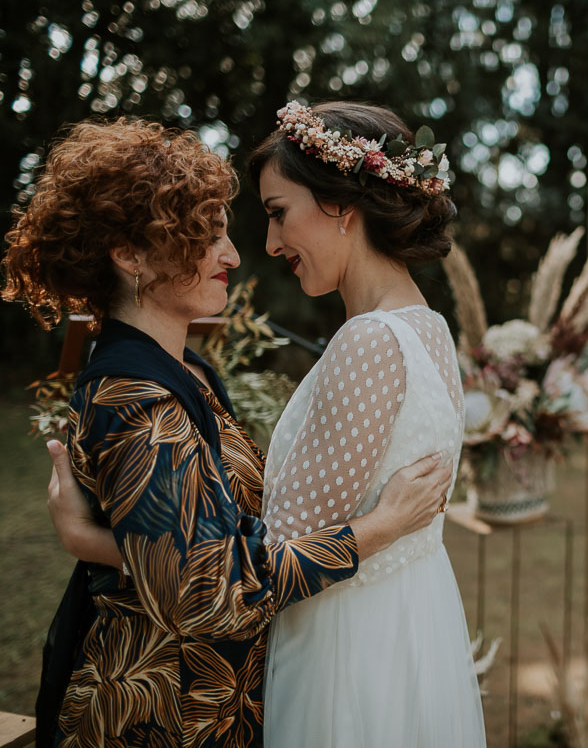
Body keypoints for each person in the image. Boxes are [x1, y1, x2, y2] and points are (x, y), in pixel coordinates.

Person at [3, 117, 452, 747]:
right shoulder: (134, 398)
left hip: (217, 706)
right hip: (157, 715)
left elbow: (228, 526)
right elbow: (206, 593)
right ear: (130, 255)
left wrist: (98, 540)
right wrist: (377, 529)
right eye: (203, 236)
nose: (234, 254)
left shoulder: (188, 372)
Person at [247, 101, 486, 747]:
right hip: (413, 622)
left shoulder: (370, 342)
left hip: (348, 651)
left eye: (277, 213)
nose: (270, 245)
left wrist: (110, 540)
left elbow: (274, 558)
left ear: (342, 207)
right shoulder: (427, 326)